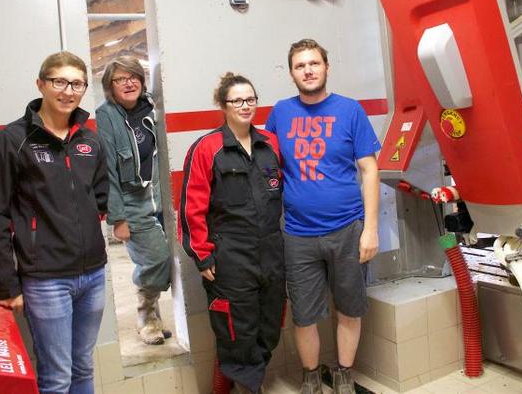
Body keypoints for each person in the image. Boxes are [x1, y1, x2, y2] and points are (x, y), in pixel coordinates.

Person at [0, 51, 109, 394]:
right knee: (57, 377)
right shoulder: (11, 140)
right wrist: (8, 282)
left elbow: (100, 197)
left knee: (83, 367)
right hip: (46, 281)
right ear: (41, 84)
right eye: (59, 82)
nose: (69, 91)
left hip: (93, 274)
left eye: (77, 83)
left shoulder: (90, 141)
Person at [265, 39, 381, 394]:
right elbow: (266, 167)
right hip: (298, 235)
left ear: (327, 67)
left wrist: (371, 230)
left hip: (348, 229)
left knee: (349, 308)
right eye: (300, 66)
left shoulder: (350, 110)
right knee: (304, 315)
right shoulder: (280, 113)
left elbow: (370, 169)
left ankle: (344, 375)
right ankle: (312, 379)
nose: (309, 70)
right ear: (291, 73)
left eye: (314, 63)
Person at [178, 73, 285, 394]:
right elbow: (191, 208)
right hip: (230, 258)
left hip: (271, 253)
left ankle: (250, 382)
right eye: (237, 100)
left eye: (250, 99)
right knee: (237, 333)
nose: (245, 106)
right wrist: (202, 255)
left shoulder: (270, 144)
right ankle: (250, 388)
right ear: (222, 105)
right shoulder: (207, 148)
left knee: (269, 328)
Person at [95, 56, 172, 345]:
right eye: (120, 79)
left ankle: (154, 315)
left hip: (161, 195)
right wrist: (117, 218)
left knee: (168, 261)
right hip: (132, 200)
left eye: (133, 77)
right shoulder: (106, 116)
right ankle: (146, 314)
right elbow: (108, 172)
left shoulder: (153, 108)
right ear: (110, 87)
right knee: (155, 260)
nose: (128, 83)